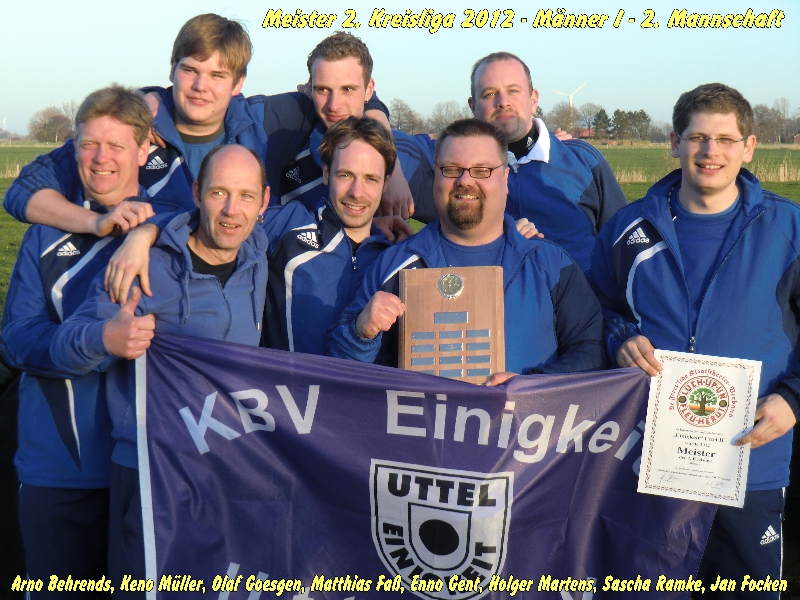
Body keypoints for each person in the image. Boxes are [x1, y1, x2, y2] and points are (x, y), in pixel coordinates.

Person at [588, 83, 799, 598]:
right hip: (648, 460)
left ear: (749, 147)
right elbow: (594, 311)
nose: (711, 152)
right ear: (674, 143)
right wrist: (620, 339)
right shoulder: (627, 228)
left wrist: (794, 399)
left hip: (751, 460)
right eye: (698, 137)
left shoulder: (789, 228)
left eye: (726, 139)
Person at [51, 144, 270, 592]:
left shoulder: (257, 249)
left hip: (228, 466)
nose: (232, 210)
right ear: (197, 191)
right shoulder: (145, 268)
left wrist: (146, 230)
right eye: (219, 193)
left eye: (246, 196)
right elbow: (62, 348)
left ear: (264, 201)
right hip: (152, 472)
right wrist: (106, 338)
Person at [0, 85, 173, 597]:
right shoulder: (44, 233)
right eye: (89, 144)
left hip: (151, 475)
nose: (101, 159)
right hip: (61, 472)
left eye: (116, 145)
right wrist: (98, 341)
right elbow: (15, 341)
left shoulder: (174, 230)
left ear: (144, 150)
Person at [327, 118, 608, 379]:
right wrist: (361, 333)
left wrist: (530, 388)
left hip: (524, 417)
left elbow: (592, 349)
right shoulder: (394, 265)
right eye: (451, 170)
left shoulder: (551, 264)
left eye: (482, 170)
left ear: (505, 179)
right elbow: (342, 376)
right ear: (435, 176)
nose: (465, 181)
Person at [3, 14, 276, 232]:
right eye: (190, 70)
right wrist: (94, 222)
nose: (200, 86)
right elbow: (23, 190)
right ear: (172, 69)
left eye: (217, 75)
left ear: (238, 83)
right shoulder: (131, 127)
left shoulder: (257, 130)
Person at [467, 52, 628, 271]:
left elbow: (624, 243)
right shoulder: (457, 171)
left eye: (513, 91)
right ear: (473, 106)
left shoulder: (584, 160)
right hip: (498, 292)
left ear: (533, 100)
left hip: (583, 292)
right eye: (489, 94)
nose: (503, 102)